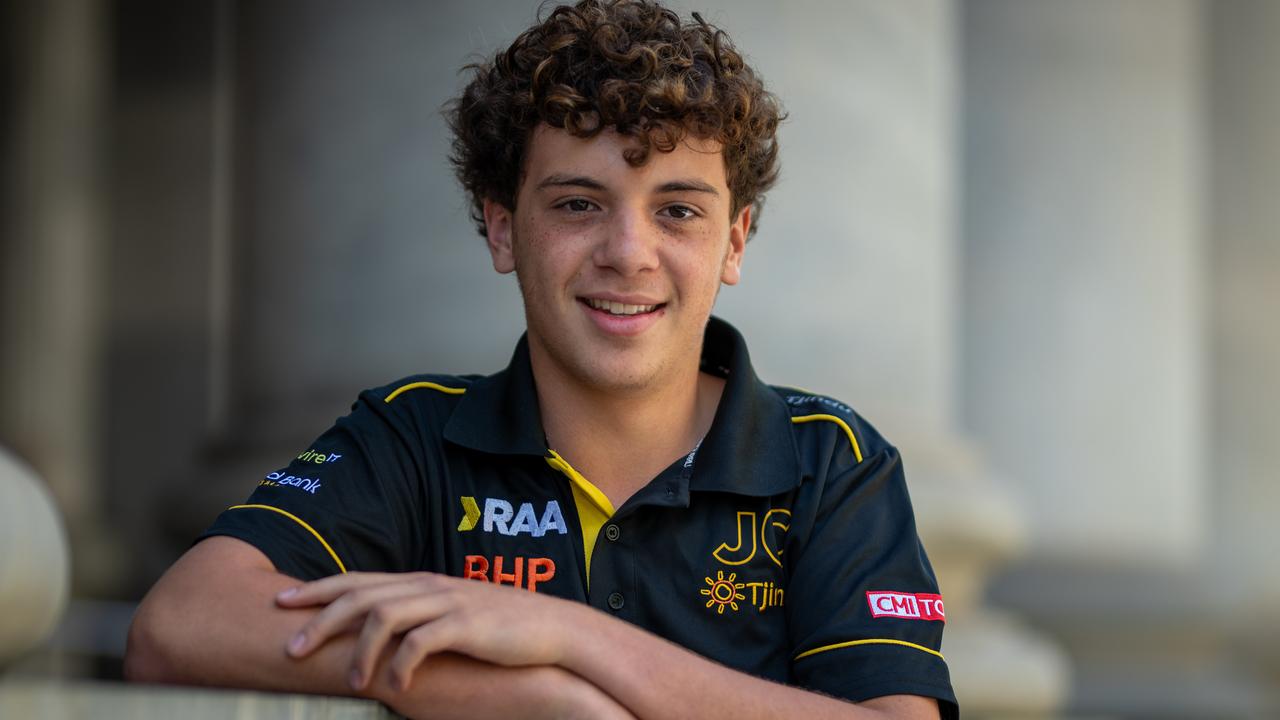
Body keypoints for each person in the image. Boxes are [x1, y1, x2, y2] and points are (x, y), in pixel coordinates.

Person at [126, 1, 958, 718]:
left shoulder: (832, 461)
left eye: (677, 210)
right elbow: (180, 624)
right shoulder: (415, 434)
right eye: (577, 204)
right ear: (500, 227)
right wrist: (510, 694)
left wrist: (573, 638)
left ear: (734, 241)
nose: (628, 253)